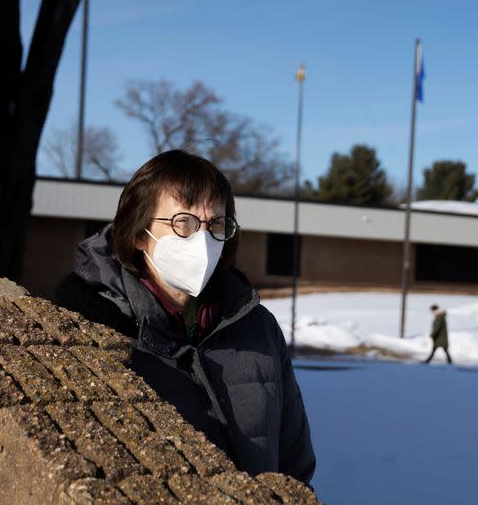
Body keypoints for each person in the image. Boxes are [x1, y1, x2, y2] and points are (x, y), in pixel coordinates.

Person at [55, 150, 315, 483]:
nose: (202, 240)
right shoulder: (95, 327)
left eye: (215, 224)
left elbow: (296, 464)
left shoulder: (258, 327)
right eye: (183, 223)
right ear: (138, 233)